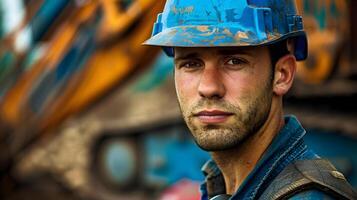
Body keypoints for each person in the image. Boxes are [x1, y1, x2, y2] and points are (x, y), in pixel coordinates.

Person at [144, 0, 356, 199]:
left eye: (234, 61)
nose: (208, 87)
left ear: (282, 74)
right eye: (191, 64)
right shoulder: (222, 185)